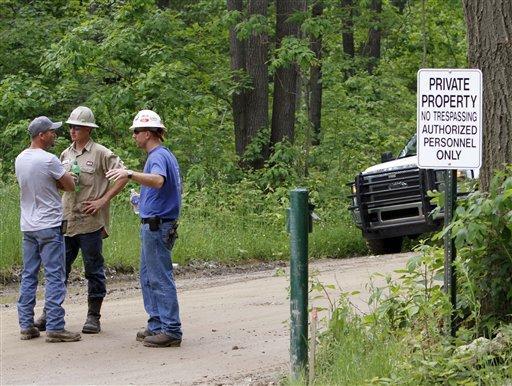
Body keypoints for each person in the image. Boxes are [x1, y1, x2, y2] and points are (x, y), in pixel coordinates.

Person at [34, 106, 127, 334]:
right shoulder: (65, 154)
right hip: (67, 220)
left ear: (88, 129)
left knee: (93, 269)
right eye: (71, 127)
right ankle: (50, 314)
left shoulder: (101, 153)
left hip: (90, 222)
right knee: (59, 269)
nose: (73, 130)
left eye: (77, 127)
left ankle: (93, 316)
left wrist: (103, 200)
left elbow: (123, 175)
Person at [106, 109, 182, 348]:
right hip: (155, 224)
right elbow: (162, 187)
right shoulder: (162, 155)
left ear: (148, 133)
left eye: (136, 131)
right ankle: (157, 324)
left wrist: (129, 174)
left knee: (159, 277)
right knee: (149, 276)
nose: (134, 136)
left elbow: (158, 180)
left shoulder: (158, 156)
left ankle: (170, 329)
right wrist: (142, 200)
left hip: (158, 227)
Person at [15, 116, 81, 343]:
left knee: (29, 274)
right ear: (41, 135)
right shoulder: (49, 160)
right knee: (54, 275)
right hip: (50, 224)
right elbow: (70, 185)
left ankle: (26, 324)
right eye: (51, 132)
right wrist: (65, 178)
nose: (55, 134)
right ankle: (55, 326)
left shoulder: (20, 158)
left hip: (28, 225)